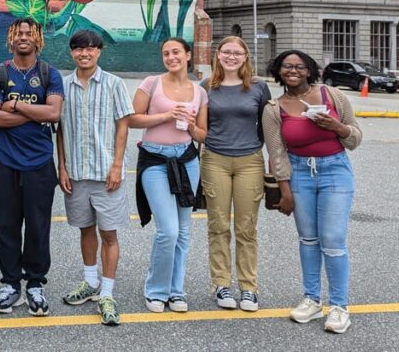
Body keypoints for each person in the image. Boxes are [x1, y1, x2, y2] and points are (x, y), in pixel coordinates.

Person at [263, 50, 362, 335]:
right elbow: (277, 153)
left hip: (335, 170)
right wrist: (285, 191)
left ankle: (339, 307)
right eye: (286, 66)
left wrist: (337, 126)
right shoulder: (273, 108)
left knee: (332, 240)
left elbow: (355, 138)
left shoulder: (332, 96)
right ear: (278, 71)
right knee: (308, 239)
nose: (292, 70)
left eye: (299, 66)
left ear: (309, 71)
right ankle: (312, 299)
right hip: (298, 174)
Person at [0, 18, 64, 316]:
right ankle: (10, 284)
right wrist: (36, 113)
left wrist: (16, 105)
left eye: (29, 33)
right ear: (10, 38)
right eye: (18, 33)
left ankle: (34, 283)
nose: (23, 37)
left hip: (39, 162)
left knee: (37, 226)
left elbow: (54, 113)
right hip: (4, 160)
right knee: (6, 225)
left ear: (38, 39)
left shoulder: (49, 74)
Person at [56, 30, 133, 326]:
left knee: (109, 234)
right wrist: (61, 166)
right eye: (78, 49)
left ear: (99, 51)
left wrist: (117, 166)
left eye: (89, 48)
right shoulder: (63, 86)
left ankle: (107, 293)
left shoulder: (114, 84)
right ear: (72, 52)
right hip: (75, 173)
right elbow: (60, 130)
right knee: (85, 229)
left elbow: (123, 127)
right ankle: (90, 282)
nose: (83, 53)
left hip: (106, 174)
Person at [131, 37, 208, 314]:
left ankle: (176, 291)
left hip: (187, 160)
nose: (171, 57)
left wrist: (189, 127)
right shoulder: (151, 83)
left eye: (176, 52)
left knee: (184, 231)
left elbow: (202, 134)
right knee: (168, 231)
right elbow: (132, 118)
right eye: (166, 53)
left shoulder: (199, 91)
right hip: (155, 160)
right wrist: (165, 115)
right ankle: (156, 290)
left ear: (188, 55)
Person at [201, 36, 271, 312]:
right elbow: (198, 123)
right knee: (218, 226)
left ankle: (249, 288)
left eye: (237, 53)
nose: (231, 57)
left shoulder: (258, 86)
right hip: (215, 159)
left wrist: (268, 157)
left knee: (246, 228)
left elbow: (268, 125)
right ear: (218, 55)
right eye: (226, 52)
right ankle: (221, 284)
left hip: (249, 162)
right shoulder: (207, 86)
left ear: (245, 57)